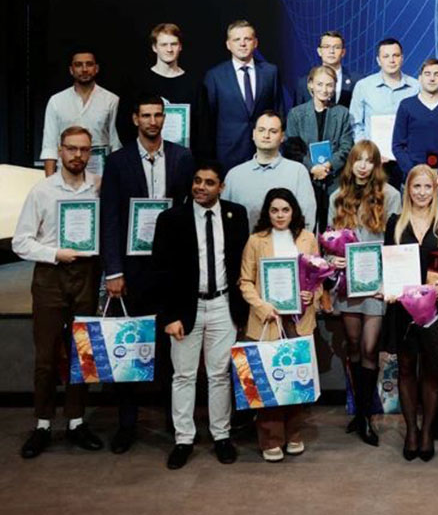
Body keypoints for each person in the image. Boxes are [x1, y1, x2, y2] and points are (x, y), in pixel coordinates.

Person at [100, 95, 195, 453]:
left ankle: (175, 420)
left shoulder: (182, 157)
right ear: (135, 119)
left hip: (170, 269)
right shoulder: (118, 161)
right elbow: (109, 217)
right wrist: (113, 270)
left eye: (158, 115)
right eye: (146, 116)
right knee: (131, 349)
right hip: (132, 269)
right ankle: (127, 423)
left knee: (173, 349)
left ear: (165, 118)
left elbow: (189, 211)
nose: (152, 121)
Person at [151, 160, 249, 470]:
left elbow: (241, 263)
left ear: (221, 187)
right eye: (197, 181)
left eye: (209, 182)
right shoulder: (171, 219)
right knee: (184, 375)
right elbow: (161, 271)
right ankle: (183, 439)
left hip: (223, 305)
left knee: (219, 375)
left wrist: (241, 311)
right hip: (185, 309)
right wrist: (169, 316)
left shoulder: (236, 215)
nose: (201, 187)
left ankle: (222, 436)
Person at [15, 127, 106, 458]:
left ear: (90, 153)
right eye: (71, 149)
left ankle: (76, 421)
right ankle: (42, 424)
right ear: (60, 150)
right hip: (51, 275)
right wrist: (55, 253)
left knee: (82, 352)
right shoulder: (42, 191)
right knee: (46, 355)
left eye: (84, 150)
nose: (78, 155)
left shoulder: (98, 187)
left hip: (86, 274)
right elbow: (21, 242)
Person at [328, 140, 403, 446]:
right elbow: (329, 239)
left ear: (376, 165)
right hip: (348, 284)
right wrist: (332, 258)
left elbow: (396, 242)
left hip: (376, 285)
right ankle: (360, 412)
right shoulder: (336, 197)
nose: (363, 166)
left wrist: (389, 279)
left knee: (371, 349)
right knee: (354, 346)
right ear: (351, 164)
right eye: (358, 160)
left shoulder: (391, 195)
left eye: (369, 161)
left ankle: (366, 415)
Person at [238, 188, 321, 462]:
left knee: (296, 379)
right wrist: (262, 306)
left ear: (293, 211)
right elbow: (245, 281)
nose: (280, 215)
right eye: (274, 210)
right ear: (267, 213)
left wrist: (312, 294)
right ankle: (271, 439)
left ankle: (294, 433)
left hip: (299, 319)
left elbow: (317, 277)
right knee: (270, 379)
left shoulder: (308, 238)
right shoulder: (256, 240)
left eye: (285, 210)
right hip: (268, 319)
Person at [384, 164, 438, 461]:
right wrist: (388, 287)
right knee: (405, 369)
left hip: (434, 309)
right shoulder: (395, 224)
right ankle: (411, 431)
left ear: (435, 189)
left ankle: (427, 431)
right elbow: (388, 261)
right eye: (417, 186)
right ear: (408, 189)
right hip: (402, 309)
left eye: (428, 186)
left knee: (431, 370)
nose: (422, 192)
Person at [201, 20, 283, 169]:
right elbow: (208, 121)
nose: (242, 44)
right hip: (227, 155)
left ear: (255, 43)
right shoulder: (215, 76)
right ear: (228, 44)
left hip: (264, 153)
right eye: (237, 40)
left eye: (247, 39)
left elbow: (279, 111)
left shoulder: (270, 72)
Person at [391, 58, 438, 218]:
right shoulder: (406, 106)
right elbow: (397, 146)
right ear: (419, 78)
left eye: (437, 74)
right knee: (411, 229)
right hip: (413, 182)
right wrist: (414, 173)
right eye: (427, 74)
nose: (432, 78)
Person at [285, 66, 354, 232]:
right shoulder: (296, 114)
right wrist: (312, 168)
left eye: (329, 85)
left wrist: (328, 166)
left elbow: (346, 147)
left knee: (332, 231)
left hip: (334, 180)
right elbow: (292, 150)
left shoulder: (343, 113)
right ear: (310, 85)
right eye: (320, 84)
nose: (324, 89)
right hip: (306, 178)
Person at [221, 111, 317, 230]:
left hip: (288, 241)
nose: (266, 135)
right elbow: (222, 217)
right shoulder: (234, 175)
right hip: (243, 241)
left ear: (282, 137)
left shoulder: (297, 172)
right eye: (261, 130)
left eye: (273, 131)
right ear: (253, 134)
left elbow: (307, 216)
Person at [116, 23, 205, 148]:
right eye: (163, 45)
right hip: (144, 155)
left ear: (180, 47)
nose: (169, 49)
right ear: (154, 47)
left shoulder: (194, 84)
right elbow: (124, 123)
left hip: (185, 156)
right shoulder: (137, 83)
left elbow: (203, 127)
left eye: (174, 44)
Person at [40, 50, 121, 177]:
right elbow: (49, 146)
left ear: (96, 68)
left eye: (89, 64)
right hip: (65, 172)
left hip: (101, 172)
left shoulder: (111, 100)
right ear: (71, 70)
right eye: (78, 65)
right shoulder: (56, 101)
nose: (84, 69)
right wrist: (49, 183)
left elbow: (115, 145)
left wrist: (115, 179)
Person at [348, 37, 419, 151]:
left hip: (408, 154)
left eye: (396, 55)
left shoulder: (416, 87)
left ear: (402, 58)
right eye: (386, 56)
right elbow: (355, 124)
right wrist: (367, 151)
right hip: (373, 156)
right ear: (378, 60)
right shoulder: (363, 86)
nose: (391, 60)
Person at [291, 30, 355, 109]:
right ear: (319, 51)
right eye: (327, 47)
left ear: (343, 52)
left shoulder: (356, 81)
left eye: (337, 47)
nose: (331, 51)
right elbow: (297, 112)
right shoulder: (304, 83)